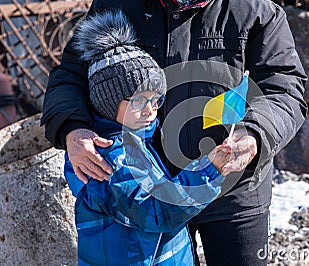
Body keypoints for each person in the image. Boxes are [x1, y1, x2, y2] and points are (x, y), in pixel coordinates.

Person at [42, 0, 308, 265]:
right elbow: (71, 75)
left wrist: (254, 134)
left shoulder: (256, 9)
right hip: (149, 186)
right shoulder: (117, 4)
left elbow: (283, 88)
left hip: (233, 188)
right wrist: (73, 129)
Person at [64, 11, 233, 265]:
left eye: (156, 100)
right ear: (108, 103)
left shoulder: (141, 140)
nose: (151, 109)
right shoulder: (110, 158)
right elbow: (156, 211)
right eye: (139, 100)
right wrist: (209, 171)